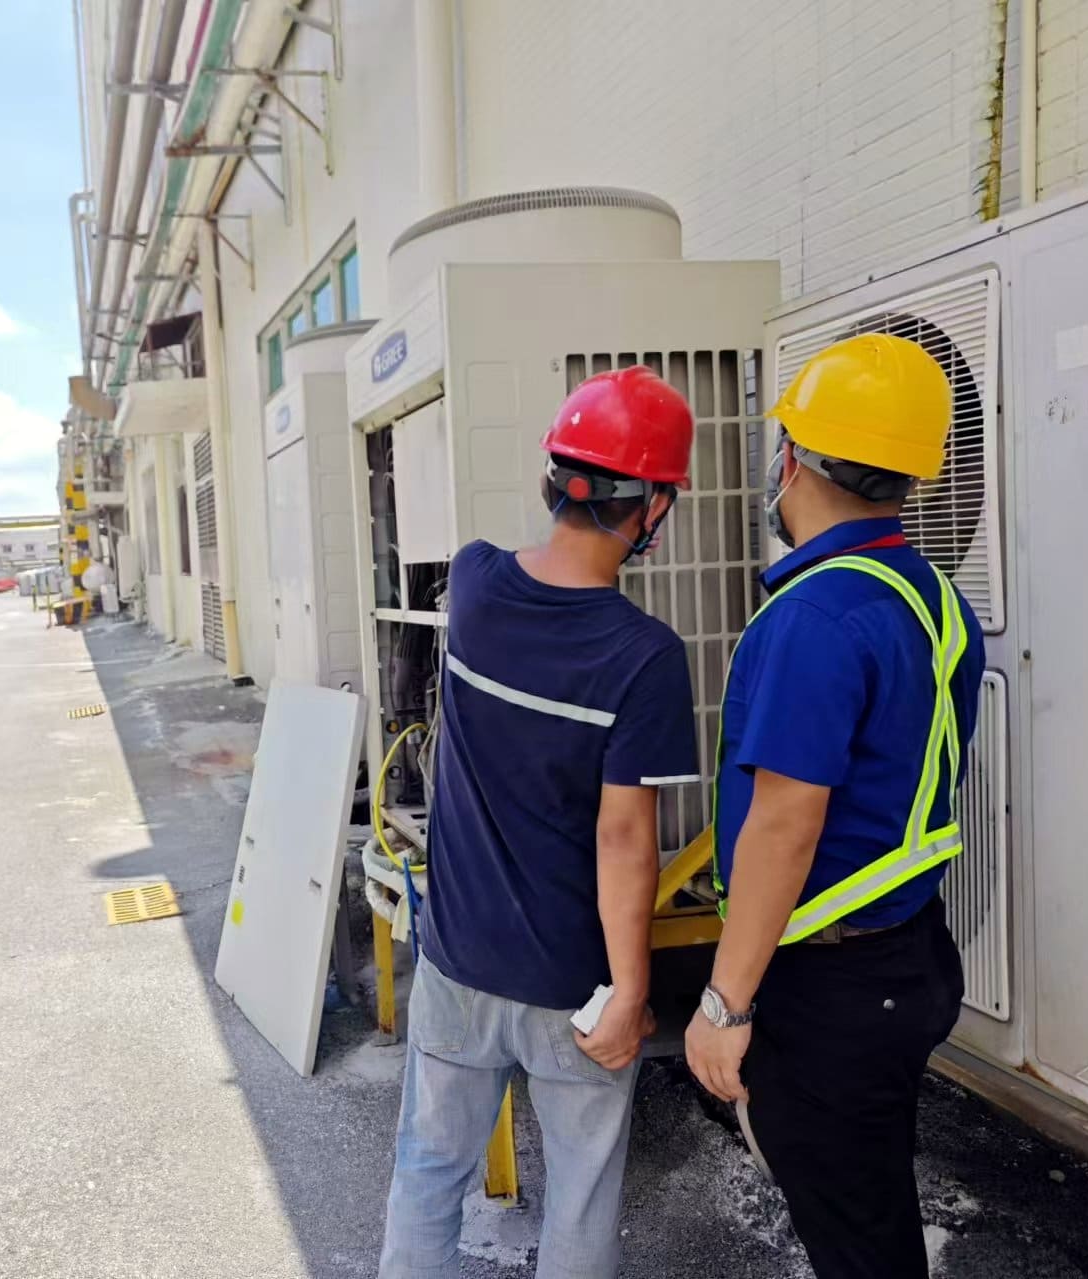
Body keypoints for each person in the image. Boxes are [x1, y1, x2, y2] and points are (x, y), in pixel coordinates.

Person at [379, 367, 701, 1279]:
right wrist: (632, 990)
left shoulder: (475, 579)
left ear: (554, 477)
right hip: (574, 984)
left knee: (429, 1170)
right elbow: (624, 840)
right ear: (653, 508)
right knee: (580, 1196)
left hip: (458, 960)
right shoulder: (644, 657)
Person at [684, 334, 986, 1279]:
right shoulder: (933, 597)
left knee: (860, 1239)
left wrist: (724, 1004)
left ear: (793, 459)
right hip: (908, 955)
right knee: (868, 1194)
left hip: (832, 986)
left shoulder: (812, 618)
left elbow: (785, 824)